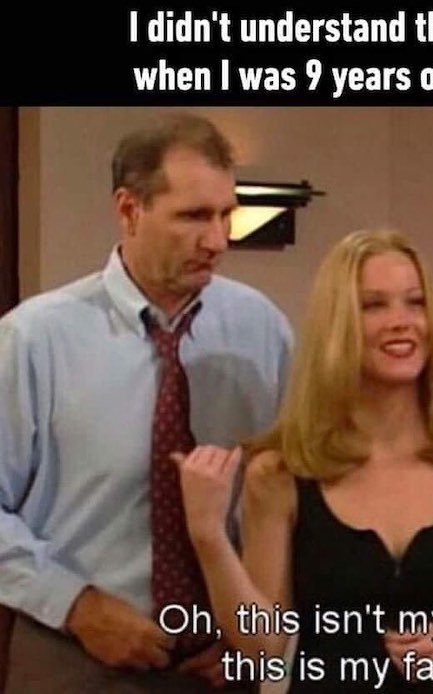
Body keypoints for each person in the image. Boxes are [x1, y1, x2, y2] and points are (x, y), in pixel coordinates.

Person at [0, 112, 292, 692]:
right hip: (76, 655)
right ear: (129, 209)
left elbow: (299, 493)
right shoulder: (36, 339)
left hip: (219, 666)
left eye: (226, 215)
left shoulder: (261, 329)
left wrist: (250, 630)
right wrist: (76, 605)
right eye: (194, 216)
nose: (217, 240)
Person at [174, 229, 433, 692]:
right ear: (337, 327)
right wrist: (208, 535)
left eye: (415, 303)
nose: (401, 321)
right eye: (374, 306)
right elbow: (263, 648)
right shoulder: (281, 472)